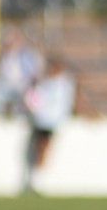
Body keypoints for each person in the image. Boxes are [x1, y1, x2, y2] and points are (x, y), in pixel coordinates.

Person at [22, 54, 76, 193]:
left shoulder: (64, 83)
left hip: (53, 120)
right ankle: (36, 181)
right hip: (44, 120)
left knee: (43, 149)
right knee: (41, 148)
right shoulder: (46, 83)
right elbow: (35, 99)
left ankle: (37, 180)